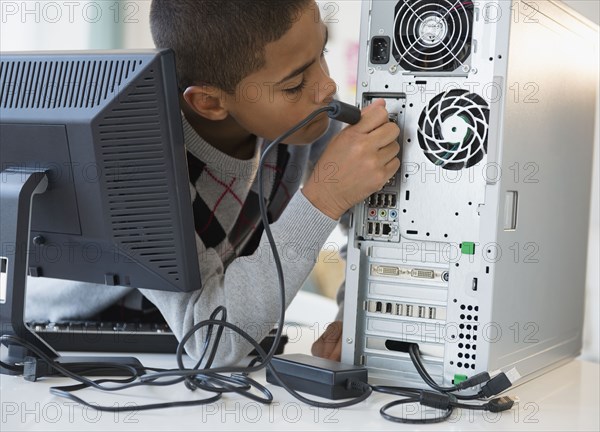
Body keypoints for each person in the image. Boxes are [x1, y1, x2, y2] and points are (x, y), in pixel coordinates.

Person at [26, 0, 400, 365]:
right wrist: (323, 198)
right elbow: (209, 341)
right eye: (295, 83)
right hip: (77, 339)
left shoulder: (312, 118)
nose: (327, 86)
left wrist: (350, 313)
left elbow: (370, 231)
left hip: (189, 340)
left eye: (322, 50)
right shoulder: (136, 159)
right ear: (208, 102)